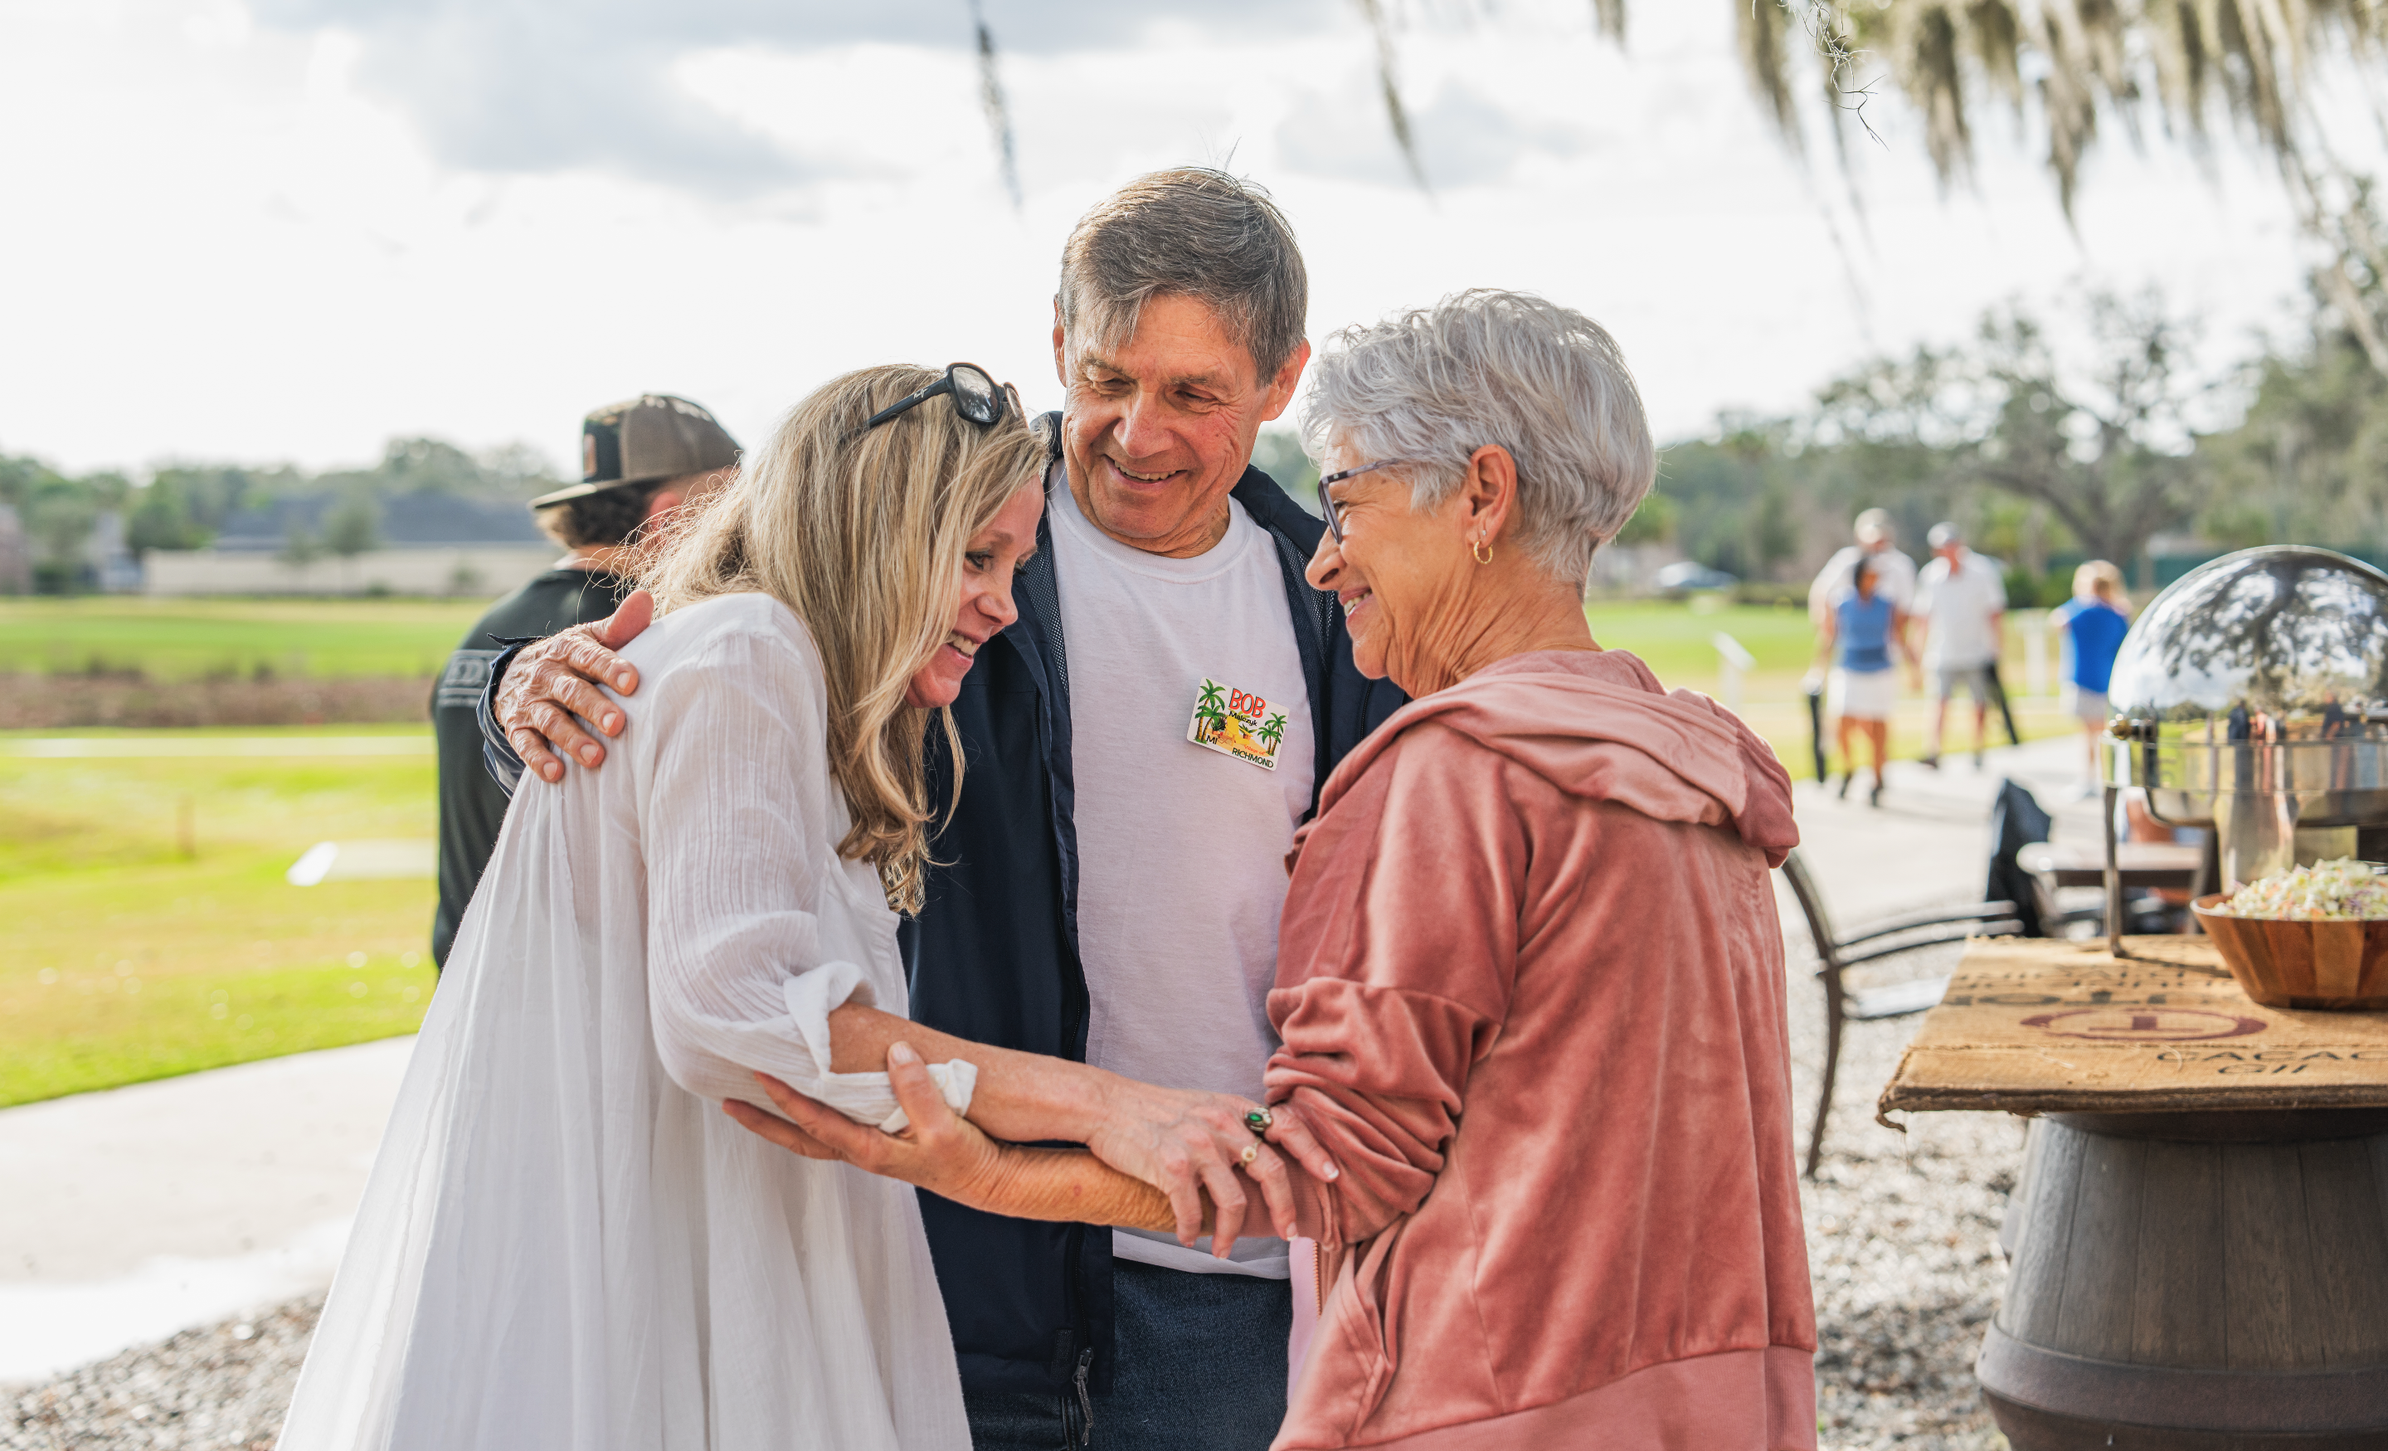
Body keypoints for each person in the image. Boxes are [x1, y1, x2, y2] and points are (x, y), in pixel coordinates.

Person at [736, 292, 1818, 1450]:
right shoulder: (1695, 769)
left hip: (1485, 1399)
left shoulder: (1453, 773)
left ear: (1483, 497)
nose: (1324, 559)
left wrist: (994, 1171)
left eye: (1347, 506)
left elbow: (1333, 1165)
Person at [478, 167, 1405, 1450]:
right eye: (1105, 379)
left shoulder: (1339, 613)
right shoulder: (946, 539)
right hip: (948, 1250)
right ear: (1058, 350)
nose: (1137, 434)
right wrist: (518, 682)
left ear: (1282, 381)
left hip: (1223, 1279)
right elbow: (704, 689)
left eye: (1194, 394)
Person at [281, 364, 1338, 1451]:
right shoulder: (747, 651)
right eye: (974, 556)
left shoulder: (785, 674)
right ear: (872, 528)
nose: (1003, 603)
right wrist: (1112, 1107)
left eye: (1015, 563)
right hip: (688, 1274)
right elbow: (738, 1012)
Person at [428, 394, 739, 969]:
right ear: (672, 520)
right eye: (730, 507)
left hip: (466, 978)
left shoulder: (483, 633)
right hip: (575, 1001)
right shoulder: (636, 640)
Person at [1815, 552, 1913, 804]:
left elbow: (1899, 635)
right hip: (1849, 667)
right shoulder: (1842, 603)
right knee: (1843, 723)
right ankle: (1848, 770)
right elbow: (1829, 636)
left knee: (1878, 727)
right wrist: (1818, 668)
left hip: (1879, 669)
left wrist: (1914, 666)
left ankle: (1878, 778)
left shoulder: (1886, 604)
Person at [1912, 521, 2007, 769]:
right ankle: (1934, 750)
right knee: (1939, 702)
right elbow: (1923, 617)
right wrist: (1917, 653)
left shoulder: (1981, 570)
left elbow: (1994, 611)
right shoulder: (1931, 575)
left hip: (1976, 649)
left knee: (1979, 703)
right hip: (1942, 650)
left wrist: (1997, 647)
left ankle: (1977, 748)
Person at [2053, 559, 2131, 793]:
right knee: (2105, 734)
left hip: (2083, 678)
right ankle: (2108, 778)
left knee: (2089, 736)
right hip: (2107, 680)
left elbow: (2058, 621)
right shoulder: (2118, 614)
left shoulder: (2081, 611)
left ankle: (2088, 779)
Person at [1805, 507, 1917, 622]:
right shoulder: (1846, 559)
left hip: (1886, 636)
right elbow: (1822, 593)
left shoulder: (1901, 565)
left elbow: (1907, 607)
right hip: (1851, 634)